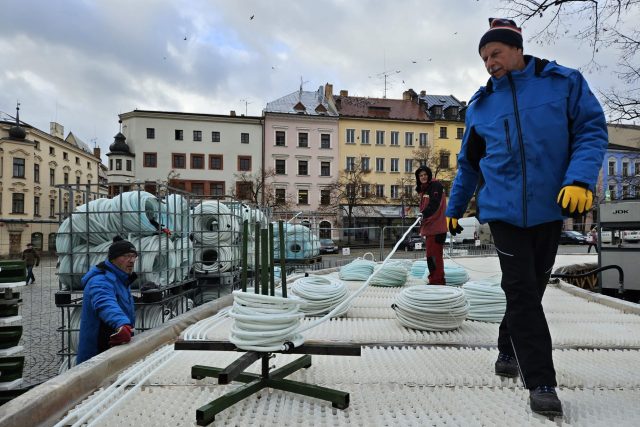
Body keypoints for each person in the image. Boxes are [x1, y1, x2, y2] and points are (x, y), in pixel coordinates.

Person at [446, 18, 607, 417]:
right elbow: (468, 165)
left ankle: (507, 347)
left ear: (516, 48)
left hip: (550, 207)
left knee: (531, 289)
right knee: (519, 289)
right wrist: (453, 209)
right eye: (484, 58)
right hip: (502, 211)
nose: (489, 63)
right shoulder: (481, 105)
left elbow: (591, 130)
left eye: (495, 53)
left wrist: (580, 179)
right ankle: (542, 382)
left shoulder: (563, 83)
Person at [76, 237, 138, 364]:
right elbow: (105, 303)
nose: (131, 260)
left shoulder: (122, 279)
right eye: (126, 256)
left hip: (114, 349)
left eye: (133, 256)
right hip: (98, 352)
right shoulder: (100, 280)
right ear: (113, 258)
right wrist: (122, 324)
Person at [415, 165, 448, 285]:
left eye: (425, 175)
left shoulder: (435, 186)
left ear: (429, 175)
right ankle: (435, 279)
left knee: (434, 257)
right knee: (431, 257)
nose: (423, 177)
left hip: (436, 229)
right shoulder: (426, 189)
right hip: (431, 229)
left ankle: (437, 281)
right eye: (420, 175)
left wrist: (423, 214)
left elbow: (434, 205)